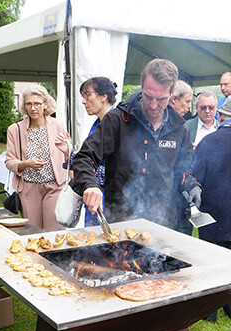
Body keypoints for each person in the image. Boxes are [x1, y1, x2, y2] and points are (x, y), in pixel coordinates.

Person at [72, 59, 196, 229]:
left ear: (172, 93)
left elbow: (184, 169)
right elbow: (84, 157)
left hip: (162, 223)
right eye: (148, 96)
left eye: (161, 99)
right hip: (120, 220)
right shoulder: (118, 119)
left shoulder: (179, 127)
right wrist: (90, 185)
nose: (153, 105)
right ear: (141, 86)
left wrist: (192, 185)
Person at [184, 96, 231, 321]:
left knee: (211, 263)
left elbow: (195, 175)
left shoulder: (208, 142)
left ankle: (211, 311)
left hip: (214, 216)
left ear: (221, 116)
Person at [5, 85, 68, 232]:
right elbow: (9, 161)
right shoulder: (15, 129)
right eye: (29, 104)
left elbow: (67, 152)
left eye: (37, 104)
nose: (33, 108)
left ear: (45, 104)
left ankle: (55, 255)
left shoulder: (57, 125)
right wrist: (25, 164)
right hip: (28, 188)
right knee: (32, 231)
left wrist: (68, 149)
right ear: (24, 106)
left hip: (54, 186)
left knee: (54, 230)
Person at [57, 76, 118, 227]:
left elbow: (113, 166)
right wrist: (70, 153)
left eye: (87, 95)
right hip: (94, 196)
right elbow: (92, 160)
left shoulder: (116, 123)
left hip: (110, 202)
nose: (84, 101)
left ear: (103, 96)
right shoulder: (98, 123)